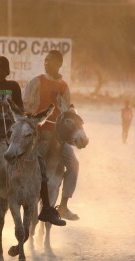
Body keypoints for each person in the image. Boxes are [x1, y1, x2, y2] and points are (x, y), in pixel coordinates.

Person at [0, 55, 65, 226]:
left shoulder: (12, 86)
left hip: (14, 127)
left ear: (7, 72)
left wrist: (12, 110)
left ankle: (47, 208)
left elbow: (20, 108)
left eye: (1, 69)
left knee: (38, 158)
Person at [23, 50, 79, 221]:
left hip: (59, 137)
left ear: (59, 64)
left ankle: (63, 205)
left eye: (51, 61)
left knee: (74, 164)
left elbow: (66, 112)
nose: (47, 64)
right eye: (46, 61)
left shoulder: (64, 86)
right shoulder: (36, 81)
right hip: (40, 134)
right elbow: (26, 106)